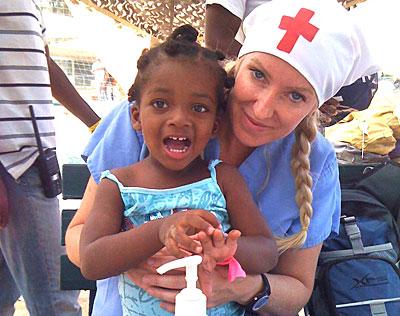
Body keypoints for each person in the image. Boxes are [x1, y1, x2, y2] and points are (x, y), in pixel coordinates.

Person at [66, 0, 379, 314]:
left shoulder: (315, 163)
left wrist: (238, 286)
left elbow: (297, 287)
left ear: (315, 106)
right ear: (237, 66)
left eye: (295, 95)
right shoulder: (154, 116)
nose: (262, 108)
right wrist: (138, 259)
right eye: (258, 75)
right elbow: (79, 237)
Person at [79, 25, 278, 316]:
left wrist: (225, 249)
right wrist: (159, 231)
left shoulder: (222, 178)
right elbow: (92, 261)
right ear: (136, 116)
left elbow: (266, 252)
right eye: (160, 104)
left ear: (215, 125)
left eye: (198, 108)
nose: (179, 119)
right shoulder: (118, 184)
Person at [0, 1, 100, 315]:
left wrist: (96, 124)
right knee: (57, 305)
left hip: (35, 160)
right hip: (13, 163)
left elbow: (42, 61)